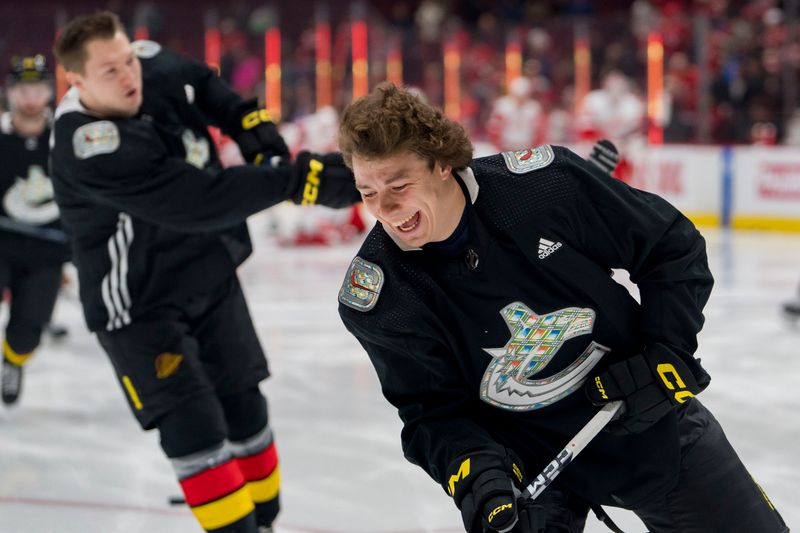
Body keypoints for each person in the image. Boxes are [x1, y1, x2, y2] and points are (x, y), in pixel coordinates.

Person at [336, 83, 788, 533]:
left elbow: (670, 247)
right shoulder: (381, 297)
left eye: (398, 185)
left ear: (442, 164)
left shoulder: (544, 190)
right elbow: (431, 413)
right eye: (368, 192)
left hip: (643, 418)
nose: (385, 208)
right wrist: (479, 475)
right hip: (529, 467)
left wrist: (666, 350)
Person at [50, 11, 358, 533]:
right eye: (110, 72)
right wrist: (295, 181)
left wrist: (247, 120)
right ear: (76, 81)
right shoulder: (89, 147)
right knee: (196, 430)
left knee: (246, 412)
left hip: (208, 274)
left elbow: (204, 85)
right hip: (139, 306)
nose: (129, 77)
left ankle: (266, 522)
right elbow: (198, 201)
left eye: (128, 60)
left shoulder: (146, 65)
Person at [0, 54, 71, 406]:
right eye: (22, 89)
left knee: (27, 335)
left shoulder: (67, 139)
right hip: (2, 243)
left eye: (38, 89)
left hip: (47, 253)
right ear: (9, 93)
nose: (30, 98)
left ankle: (11, 361)